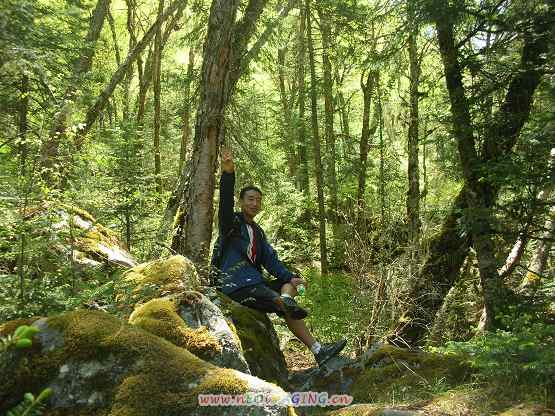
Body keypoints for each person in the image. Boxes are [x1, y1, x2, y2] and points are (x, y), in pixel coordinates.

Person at [211, 148, 346, 367]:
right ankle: (289, 309)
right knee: (283, 303)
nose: (255, 204)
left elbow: (271, 262)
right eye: (250, 199)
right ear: (241, 202)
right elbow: (224, 204)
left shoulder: (258, 232)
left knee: (290, 286)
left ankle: (317, 347)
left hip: (255, 283)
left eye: (258, 200)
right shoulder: (231, 224)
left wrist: (291, 278)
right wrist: (228, 174)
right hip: (236, 286)